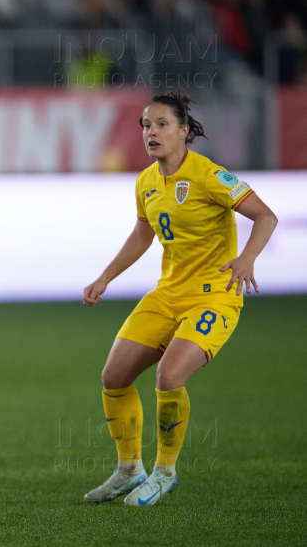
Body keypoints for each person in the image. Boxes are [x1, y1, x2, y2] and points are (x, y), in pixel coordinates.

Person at [82, 90, 277, 506]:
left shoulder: (210, 176)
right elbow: (142, 234)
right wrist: (105, 278)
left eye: (162, 124)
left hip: (214, 298)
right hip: (168, 293)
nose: (151, 132)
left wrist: (247, 258)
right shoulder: (146, 181)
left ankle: (165, 472)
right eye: (145, 125)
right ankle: (128, 469)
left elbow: (266, 215)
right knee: (113, 377)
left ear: (184, 131)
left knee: (169, 377)